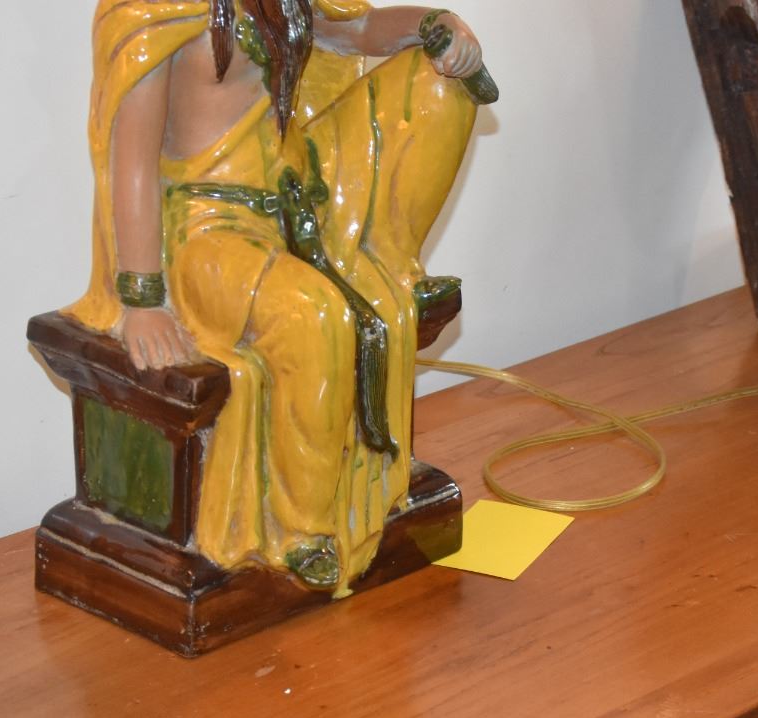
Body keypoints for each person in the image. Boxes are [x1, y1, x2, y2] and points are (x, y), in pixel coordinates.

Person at [69, 1, 487, 593]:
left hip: (301, 197)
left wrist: (435, 25)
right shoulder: (158, 10)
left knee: (437, 82)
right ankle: (300, 529)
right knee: (312, 316)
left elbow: (352, 31)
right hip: (210, 231)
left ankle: (389, 262)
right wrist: (141, 300)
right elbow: (130, 160)